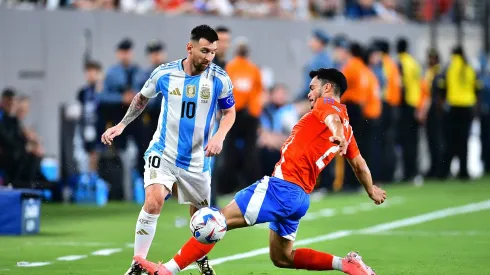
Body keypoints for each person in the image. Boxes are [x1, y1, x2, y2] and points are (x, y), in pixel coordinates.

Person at [133, 68, 387, 275]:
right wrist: (371, 189)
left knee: (215, 222)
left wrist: (337, 134)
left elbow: (332, 119)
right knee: (283, 258)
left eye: (312, 88)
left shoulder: (327, 107)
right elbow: (360, 164)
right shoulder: (348, 126)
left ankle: (166, 271)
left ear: (327, 88)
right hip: (298, 198)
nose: (310, 94)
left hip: (281, 187)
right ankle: (347, 265)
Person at [100, 25, 236, 275]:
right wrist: (121, 125)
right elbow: (141, 98)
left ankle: (198, 256)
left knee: (201, 217)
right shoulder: (165, 73)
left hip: (198, 159)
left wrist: (219, 135)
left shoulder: (219, 78)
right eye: (204, 51)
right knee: (153, 201)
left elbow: (229, 113)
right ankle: (138, 262)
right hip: (163, 153)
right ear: (190, 47)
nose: (208, 57)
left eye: (213, 52)